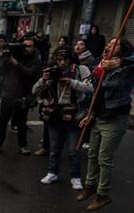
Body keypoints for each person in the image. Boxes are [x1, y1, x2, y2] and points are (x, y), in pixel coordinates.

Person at [77, 39, 134, 210]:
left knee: (104, 158)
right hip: (99, 117)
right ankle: (89, 186)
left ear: (122, 50)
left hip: (115, 119)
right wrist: (90, 115)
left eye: (115, 44)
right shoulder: (100, 65)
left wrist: (120, 62)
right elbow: (97, 95)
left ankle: (102, 195)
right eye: (109, 43)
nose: (109, 46)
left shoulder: (126, 68)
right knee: (92, 154)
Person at [31, 46, 92, 189]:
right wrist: (44, 80)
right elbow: (34, 90)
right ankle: (52, 172)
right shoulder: (51, 71)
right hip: (54, 115)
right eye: (59, 59)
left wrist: (71, 82)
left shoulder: (80, 70)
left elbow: (90, 88)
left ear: (71, 60)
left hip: (73, 114)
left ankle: (76, 176)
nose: (62, 63)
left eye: (65, 59)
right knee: (54, 148)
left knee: (73, 150)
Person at [0, 36, 40, 154]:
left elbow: (30, 73)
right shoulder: (12, 56)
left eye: (29, 46)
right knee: (3, 121)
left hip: (22, 95)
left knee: (21, 123)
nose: (26, 48)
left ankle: (23, 146)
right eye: (24, 45)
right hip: (8, 94)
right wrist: (4, 60)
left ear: (34, 48)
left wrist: (16, 64)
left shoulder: (34, 59)